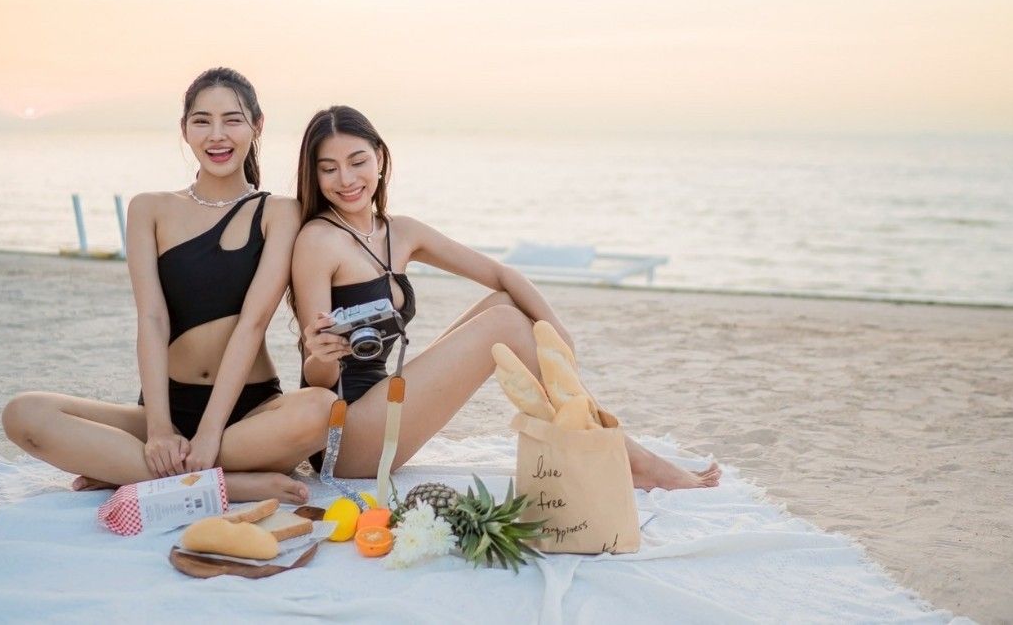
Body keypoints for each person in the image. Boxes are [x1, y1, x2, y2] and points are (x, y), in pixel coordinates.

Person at [293, 106, 720, 490]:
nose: (346, 179)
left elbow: (500, 273)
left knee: (504, 304)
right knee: (504, 324)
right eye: (328, 168)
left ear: (380, 160)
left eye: (357, 161)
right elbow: (316, 381)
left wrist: (555, 332)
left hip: (386, 405)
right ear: (314, 176)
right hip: (345, 438)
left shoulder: (399, 232)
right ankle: (631, 458)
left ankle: (609, 444)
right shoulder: (318, 241)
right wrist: (323, 351)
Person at [2, 68, 338, 504]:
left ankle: (133, 471)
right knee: (23, 414)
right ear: (184, 130)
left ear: (257, 125)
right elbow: (153, 319)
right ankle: (231, 484)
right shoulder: (150, 209)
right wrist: (159, 429)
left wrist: (211, 434)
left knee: (321, 410)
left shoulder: (279, 212)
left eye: (232, 120)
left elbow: (252, 324)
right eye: (202, 121)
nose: (217, 135)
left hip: (247, 411)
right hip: (166, 407)